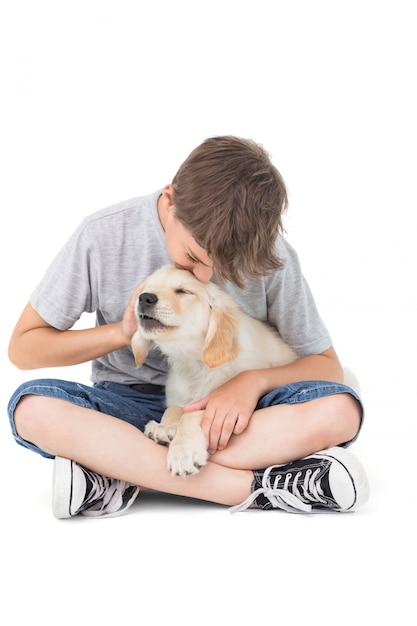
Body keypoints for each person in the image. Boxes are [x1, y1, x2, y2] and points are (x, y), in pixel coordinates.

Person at [7, 136, 369, 519]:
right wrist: (120, 334)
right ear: (169, 200)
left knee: (342, 410)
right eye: (194, 256)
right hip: (133, 408)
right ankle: (262, 487)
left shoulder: (269, 255)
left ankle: (118, 474)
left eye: (224, 267)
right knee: (31, 408)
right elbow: (24, 348)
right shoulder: (103, 235)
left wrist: (249, 385)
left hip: (242, 414)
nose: (206, 274)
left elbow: (327, 366)